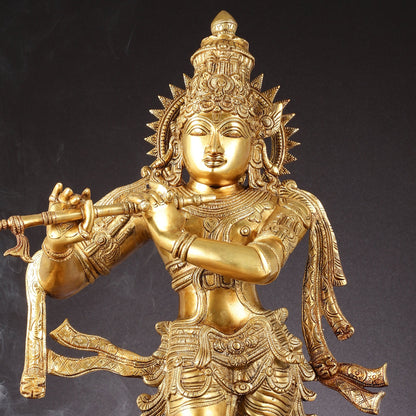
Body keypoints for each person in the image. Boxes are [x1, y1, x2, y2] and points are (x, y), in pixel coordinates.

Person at [19, 11, 387, 416]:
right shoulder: (152, 200)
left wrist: (177, 238)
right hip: (193, 355)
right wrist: (57, 247)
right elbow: (64, 284)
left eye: (231, 132)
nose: (213, 147)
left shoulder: (283, 203)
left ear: (257, 146)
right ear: (176, 143)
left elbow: (263, 264)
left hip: (270, 352)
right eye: (198, 131)